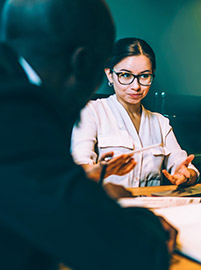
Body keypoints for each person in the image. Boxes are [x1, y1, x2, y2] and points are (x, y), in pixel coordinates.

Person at [0, 0, 176, 269]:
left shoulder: (12, 82)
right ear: (84, 64)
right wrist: (144, 219)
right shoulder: (18, 113)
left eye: (144, 76)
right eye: (123, 75)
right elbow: (134, 252)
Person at [71, 37, 199, 188]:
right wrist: (99, 171)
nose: (136, 86)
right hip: (108, 207)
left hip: (151, 208)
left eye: (144, 76)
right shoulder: (91, 112)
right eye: (126, 75)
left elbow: (185, 167)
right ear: (109, 75)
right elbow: (77, 168)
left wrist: (186, 175)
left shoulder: (160, 123)